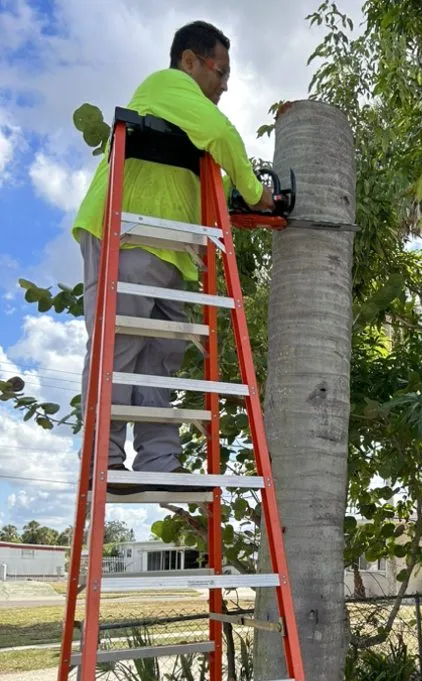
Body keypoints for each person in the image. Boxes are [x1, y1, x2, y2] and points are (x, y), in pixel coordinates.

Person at [73, 21, 274, 488]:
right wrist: (255, 190)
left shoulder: (184, 126)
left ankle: (158, 463)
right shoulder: (168, 85)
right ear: (189, 61)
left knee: (161, 358)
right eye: (220, 72)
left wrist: (240, 197)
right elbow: (222, 134)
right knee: (118, 350)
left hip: (171, 250)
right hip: (128, 234)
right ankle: (102, 458)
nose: (224, 85)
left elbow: (212, 182)